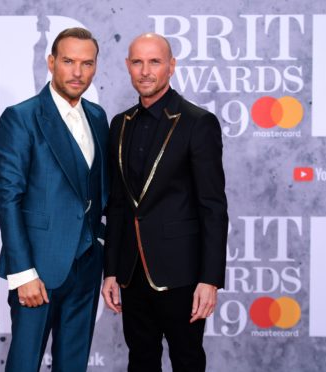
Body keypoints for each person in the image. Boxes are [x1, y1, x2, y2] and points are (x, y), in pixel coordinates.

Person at [102, 33, 228, 372]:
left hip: (182, 274)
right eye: (138, 62)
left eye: (154, 61)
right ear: (128, 67)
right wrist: (111, 270)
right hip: (131, 273)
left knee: (187, 360)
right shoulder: (120, 125)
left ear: (171, 67)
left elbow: (213, 207)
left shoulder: (197, 123)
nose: (145, 71)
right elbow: (117, 204)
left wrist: (210, 279)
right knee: (140, 361)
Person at [0, 27, 109, 372]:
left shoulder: (98, 117)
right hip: (37, 270)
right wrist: (22, 273)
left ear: (95, 68)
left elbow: (100, 192)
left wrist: (102, 244)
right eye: (69, 61)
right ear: (51, 63)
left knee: (73, 365)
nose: (78, 72)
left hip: (87, 266)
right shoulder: (22, 117)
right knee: (25, 364)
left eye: (87, 63)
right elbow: (8, 198)